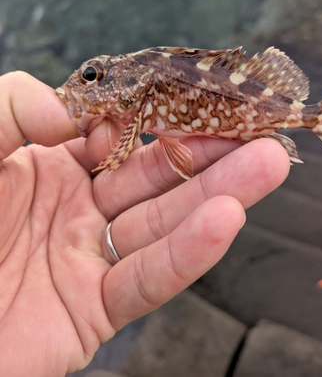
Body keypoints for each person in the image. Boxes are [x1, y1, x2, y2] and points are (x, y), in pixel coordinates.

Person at [0, 70, 290, 376]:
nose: (84, 84)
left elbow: (125, 144)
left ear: (130, 82)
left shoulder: (141, 106)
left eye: (91, 76)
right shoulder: (139, 106)